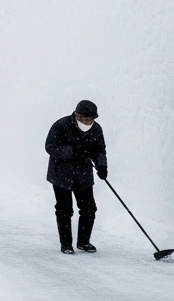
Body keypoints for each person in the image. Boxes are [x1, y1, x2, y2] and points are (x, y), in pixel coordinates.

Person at [44, 99, 107, 254]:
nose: (88, 122)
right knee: (65, 210)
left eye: (91, 119)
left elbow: (100, 150)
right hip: (61, 174)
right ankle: (66, 244)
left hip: (83, 175)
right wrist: (71, 152)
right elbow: (50, 147)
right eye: (86, 119)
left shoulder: (96, 129)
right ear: (77, 115)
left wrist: (102, 166)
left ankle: (83, 242)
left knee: (89, 209)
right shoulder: (61, 125)